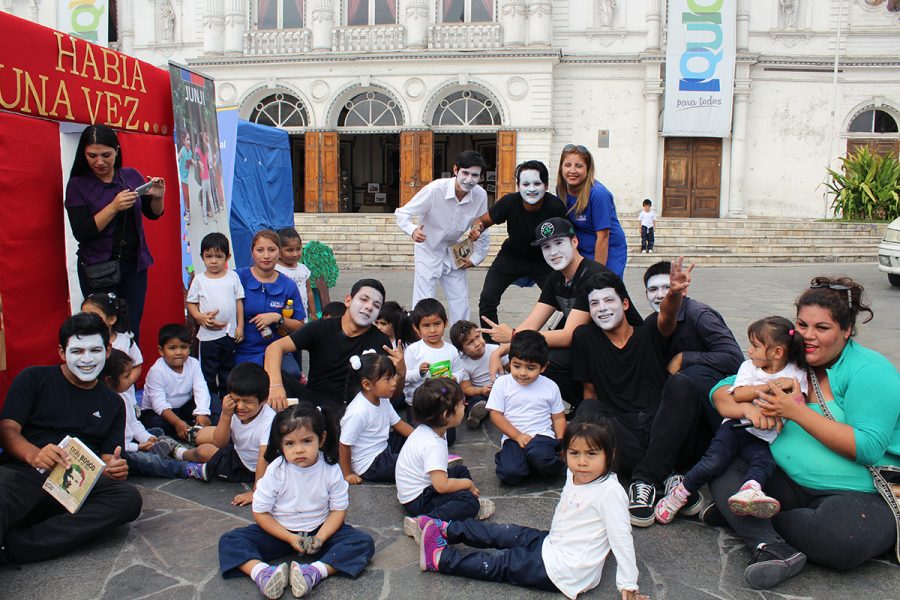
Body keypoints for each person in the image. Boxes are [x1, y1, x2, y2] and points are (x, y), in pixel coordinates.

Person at [707, 276, 900, 589]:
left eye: (822, 328)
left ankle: (748, 520)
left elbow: (867, 447)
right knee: (723, 462)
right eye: (802, 326)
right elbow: (722, 391)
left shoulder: (869, 370)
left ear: (847, 330)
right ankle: (770, 544)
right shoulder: (793, 359)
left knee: (842, 540)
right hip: (786, 479)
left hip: (858, 495)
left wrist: (793, 411)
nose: (809, 336)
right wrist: (748, 407)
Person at [414, 417, 649, 600]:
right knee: (504, 532)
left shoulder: (610, 493)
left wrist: (628, 583)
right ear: (564, 453)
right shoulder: (574, 471)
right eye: (574, 453)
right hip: (553, 543)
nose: (582, 462)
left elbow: (622, 539)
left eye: (592, 454)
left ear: (610, 456)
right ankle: (446, 529)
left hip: (562, 571)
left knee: (501, 564)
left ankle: (441, 558)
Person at [572, 260, 706, 527]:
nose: (602, 308)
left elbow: (667, 317)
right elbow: (590, 392)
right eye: (594, 304)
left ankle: (643, 481)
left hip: (662, 427)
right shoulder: (584, 337)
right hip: (622, 433)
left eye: (608, 300)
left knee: (682, 385)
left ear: (624, 304)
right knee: (587, 411)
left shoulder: (649, 331)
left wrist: (674, 292)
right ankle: (667, 478)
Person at [0, 313, 142, 563]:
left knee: (127, 499)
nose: (87, 359)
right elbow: (7, 429)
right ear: (62, 352)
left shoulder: (113, 403)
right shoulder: (33, 379)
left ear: (108, 350)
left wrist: (114, 468)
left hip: (77, 483)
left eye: (95, 350)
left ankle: (17, 546)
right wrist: (34, 454)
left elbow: (109, 458)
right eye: (77, 351)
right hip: (24, 474)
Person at [655, 316, 807, 525]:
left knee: (764, 463)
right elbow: (740, 394)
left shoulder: (796, 373)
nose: (749, 351)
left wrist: (791, 385)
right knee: (713, 462)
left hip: (764, 437)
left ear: (777, 352)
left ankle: (750, 491)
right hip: (736, 428)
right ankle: (679, 494)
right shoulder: (749, 367)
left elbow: (800, 403)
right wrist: (767, 387)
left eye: (755, 346)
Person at [218, 403, 375, 599]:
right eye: (290, 443)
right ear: (281, 444)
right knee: (230, 540)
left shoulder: (331, 469)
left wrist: (321, 538)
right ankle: (263, 574)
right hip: (281, 532)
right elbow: (260, 512)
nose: (299, 450)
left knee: (362, 542)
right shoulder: (276, 470)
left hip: (319, 529)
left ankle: (314, 572)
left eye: (307, 441)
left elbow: (337, 511)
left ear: (321, 438)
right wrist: (290, 538)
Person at [481, 217, 642, 406]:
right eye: (546, 247)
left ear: (575, 242)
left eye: (559, 243)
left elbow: (568, 336)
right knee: (524, 353)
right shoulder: (556, 277)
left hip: (627, 349)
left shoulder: (593, 276)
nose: (553, 252)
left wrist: (515, 336)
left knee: (546, 360)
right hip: (592, 343)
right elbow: (532, 324)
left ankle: (597, 405)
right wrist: (500, 352)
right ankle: (583, 404)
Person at [65, 124, 165, 341]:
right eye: (92, 155)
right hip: (98, 269)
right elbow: (82, 232)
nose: (99, 162)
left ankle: (128, 373)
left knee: (130, 330)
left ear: (117, 151)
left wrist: (158, 196)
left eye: (106, 155)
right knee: (101, 330)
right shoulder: (77, 185)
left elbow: (154, 213)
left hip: (134, 266)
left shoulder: (130, 176)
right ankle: (103, 374)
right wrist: (113, 207)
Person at [266, 279, 404, 413]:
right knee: (268, 376)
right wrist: (275, 385)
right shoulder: (322, 327)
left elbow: (390, 395)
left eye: (376, 305)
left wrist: (401, 373)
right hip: (312, 401)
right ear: (348, 300)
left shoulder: (380, 341)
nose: (369, 307)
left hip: (352, 411)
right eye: (364, 299)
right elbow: (275, 348)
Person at [642, 260, 744, 431]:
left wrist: (685, 358)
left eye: (667, 287)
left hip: (714, 396)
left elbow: (735, 359)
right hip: (676, 404)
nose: (660, 295)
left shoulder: (700, 315)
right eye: (653, 289)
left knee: (693, 374)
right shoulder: (650, 324)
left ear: (683, 289)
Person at [468, 160, 567, 329]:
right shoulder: (509, 202)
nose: (531, 189)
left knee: (565, 302)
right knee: (487, 300)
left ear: (546, 185)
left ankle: (555, 340)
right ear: (518, 185)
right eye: (525, 183)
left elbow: (566, 240)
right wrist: (477, 228)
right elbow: (482, 221)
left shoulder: (556, 206)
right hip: (511, 256)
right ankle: (492, 345)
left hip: (544, 259)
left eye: (537, 183)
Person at [395, 150, 490, 325]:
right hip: (428, 249)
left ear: (481, 177)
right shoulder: (435, 190)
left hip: (455, 251)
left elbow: (483, 227)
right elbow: (402, 213)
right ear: (456, 170)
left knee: (460, 298)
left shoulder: (480, 195)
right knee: (424, 299)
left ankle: (463, 343)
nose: (469, 180)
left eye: (475, 175)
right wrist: (412, 230)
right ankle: (419, 342)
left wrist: (476, 258)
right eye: (465, 173)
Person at [396, 380, 494, 526]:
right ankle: (425, 522)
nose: (465, 406)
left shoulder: (433, 429)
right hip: (418, 501)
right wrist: (468, 484)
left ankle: (463, 506)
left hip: (423, 489)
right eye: (461, 404)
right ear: (446, 415)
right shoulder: (432, 444)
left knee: (461, 471)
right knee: (468, 502)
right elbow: (441, 486)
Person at [102, 349, 207, 480]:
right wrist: (138, 447)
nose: (131, 379)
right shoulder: (105, 404)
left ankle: (180, 452)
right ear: (109, 381)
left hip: (132, 441)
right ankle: (186, 469)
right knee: (146, 460)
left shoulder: (125, 394)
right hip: (123, 450)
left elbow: (134, 424)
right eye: (126, 376)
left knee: (156, 432)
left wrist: (147, 438)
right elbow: (111, 444)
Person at [487, 331, 566, 485]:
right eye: (517, 366)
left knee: (540, 456)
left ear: (543, 367)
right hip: (513, 439)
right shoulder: (502, 384)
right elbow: (495, 415)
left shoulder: (550, 386)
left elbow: (558, 417)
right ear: (510, 362)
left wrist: (561, 441)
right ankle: (526, 463)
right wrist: (517, 436)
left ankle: (550, 463)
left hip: (542, 437)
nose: (523, 373)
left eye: (531, 368)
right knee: (509, 474)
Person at [200, 363, 277, 506]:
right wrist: (226, 415)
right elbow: (220, 441)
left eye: (247, 402)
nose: (240, 406)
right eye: (236, 400)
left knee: (203, 451)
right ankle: (187, 439)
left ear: (264, 400)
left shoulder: (269, 421)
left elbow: (263, 459)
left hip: (249, 467)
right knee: (202, 436)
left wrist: (256, 492)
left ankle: (180, 456)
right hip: (239, 449)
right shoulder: (233, 410)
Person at [187, 232, 245, 415]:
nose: (214, 261)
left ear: (227, 257)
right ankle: (209, 405)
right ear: (202, 257)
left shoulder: (232, 277)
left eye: (219, 257)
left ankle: (228, 403)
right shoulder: (199, 279)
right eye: (209, 256)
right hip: (208, 336)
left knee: (228, 369)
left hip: (229, 334)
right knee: (208, 372)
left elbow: (239, 302)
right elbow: (191, 302)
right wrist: (199, 317)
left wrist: (240, 326)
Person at [339, 354, 414, 484]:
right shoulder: (358, 411)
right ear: (367, 384)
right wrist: (348, 474)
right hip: (371, 464)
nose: (394, 382)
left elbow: (399, 424)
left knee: (417, 432)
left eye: (393, 377)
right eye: (388, 379)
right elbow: (344, 445)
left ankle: (423, 453)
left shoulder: (383, 399)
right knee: (409, 464)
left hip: (383, 447)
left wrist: (421, 438)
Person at [236, 230, 306, 368]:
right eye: (260, 250)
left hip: (277, 351)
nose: (266, 256)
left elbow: (300, 326)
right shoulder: (238, 278)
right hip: (243, 351)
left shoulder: (288, 285)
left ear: (279, 253)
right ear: (252, 252)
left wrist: (277, 318)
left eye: (272, 250)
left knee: (291, 374)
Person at [556, 144, 626, 275]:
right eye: (567, 165)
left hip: (607, 249)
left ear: (588, 169)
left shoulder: (598, 194)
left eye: (579, 166)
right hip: (581, 249)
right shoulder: (561, 190)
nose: (572, 170)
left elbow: (603, 237)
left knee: (603, 289)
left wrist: (596, 272)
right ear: (561, 168)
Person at [141, 324, 213, 438]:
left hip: (184, 407)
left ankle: (197, 429)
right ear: (161, 350)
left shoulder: (193, 363)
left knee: (213, 402)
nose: (179, 352)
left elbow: (201, 388)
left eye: (184, 347)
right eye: (172, 348)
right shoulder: (156, 371)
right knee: (156, 424)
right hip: (161, 413)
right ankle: (182, 432)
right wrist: (177, 422)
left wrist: (201, 413)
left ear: (189, 348)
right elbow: (159, 404)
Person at [81, 292, 142, 413]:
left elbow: (137, 364)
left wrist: (127, 381)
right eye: (83, 315)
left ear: (112, 319)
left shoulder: (125, 341)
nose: (88, 320)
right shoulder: (83, 343)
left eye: (94, 316)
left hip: (124, 397)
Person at [402, 298, 466, 409]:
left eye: (437, 324)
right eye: (426, 326)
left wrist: (454, 378)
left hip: (444, 401)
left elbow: (460, 370)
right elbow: (405, 376)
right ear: (416, 328)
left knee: (448, 425)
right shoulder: (413, 350)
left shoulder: (451, 350)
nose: (432, 330)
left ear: (445, 323)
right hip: (418, 404)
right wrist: (419, 372)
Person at [449, 319, 508, 429]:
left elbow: (511, 368)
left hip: (502, 388)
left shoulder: (496, 350)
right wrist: (481, 390)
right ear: (461, 350)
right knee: (475, 400)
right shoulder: (463, 363)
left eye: (477, 337)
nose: (477, 343)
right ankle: (475, 414)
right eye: (470, 343)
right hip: (483, 392)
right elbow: (466, 388)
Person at [275, 227, 317, 323]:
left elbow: (309, 292)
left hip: (302, 318)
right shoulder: (276, 270)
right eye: (289, 250)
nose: (295, 254)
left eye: (298, 249)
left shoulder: (303, 269)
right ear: (279, 251)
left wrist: (313, 313)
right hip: (283, 320)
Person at [176, 130, 196, 224]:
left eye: (189, 139)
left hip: (186, 176)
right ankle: (186, 214)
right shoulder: (183, 150)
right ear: (183, 141)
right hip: (181, 177)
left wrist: (194, 162)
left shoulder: (189, 151)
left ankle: (187, 212)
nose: (189, 141)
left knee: (187, 196)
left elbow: (190, 158)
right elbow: (178, 157)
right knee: (185, 196)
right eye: (187, 139)